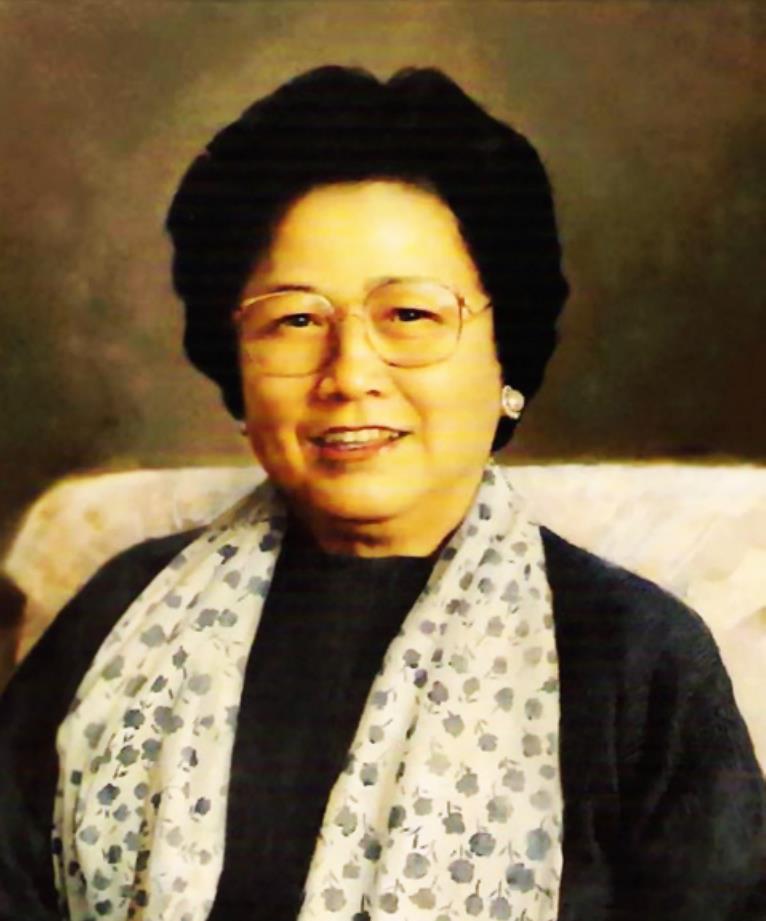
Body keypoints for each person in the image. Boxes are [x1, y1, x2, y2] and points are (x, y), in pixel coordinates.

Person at [0, 66, 763, 921]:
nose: (350, 374)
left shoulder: (636, 658)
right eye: (295, 320)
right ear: (238, 370)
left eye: (409, 315)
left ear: (506, 355)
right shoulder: (121, 616)